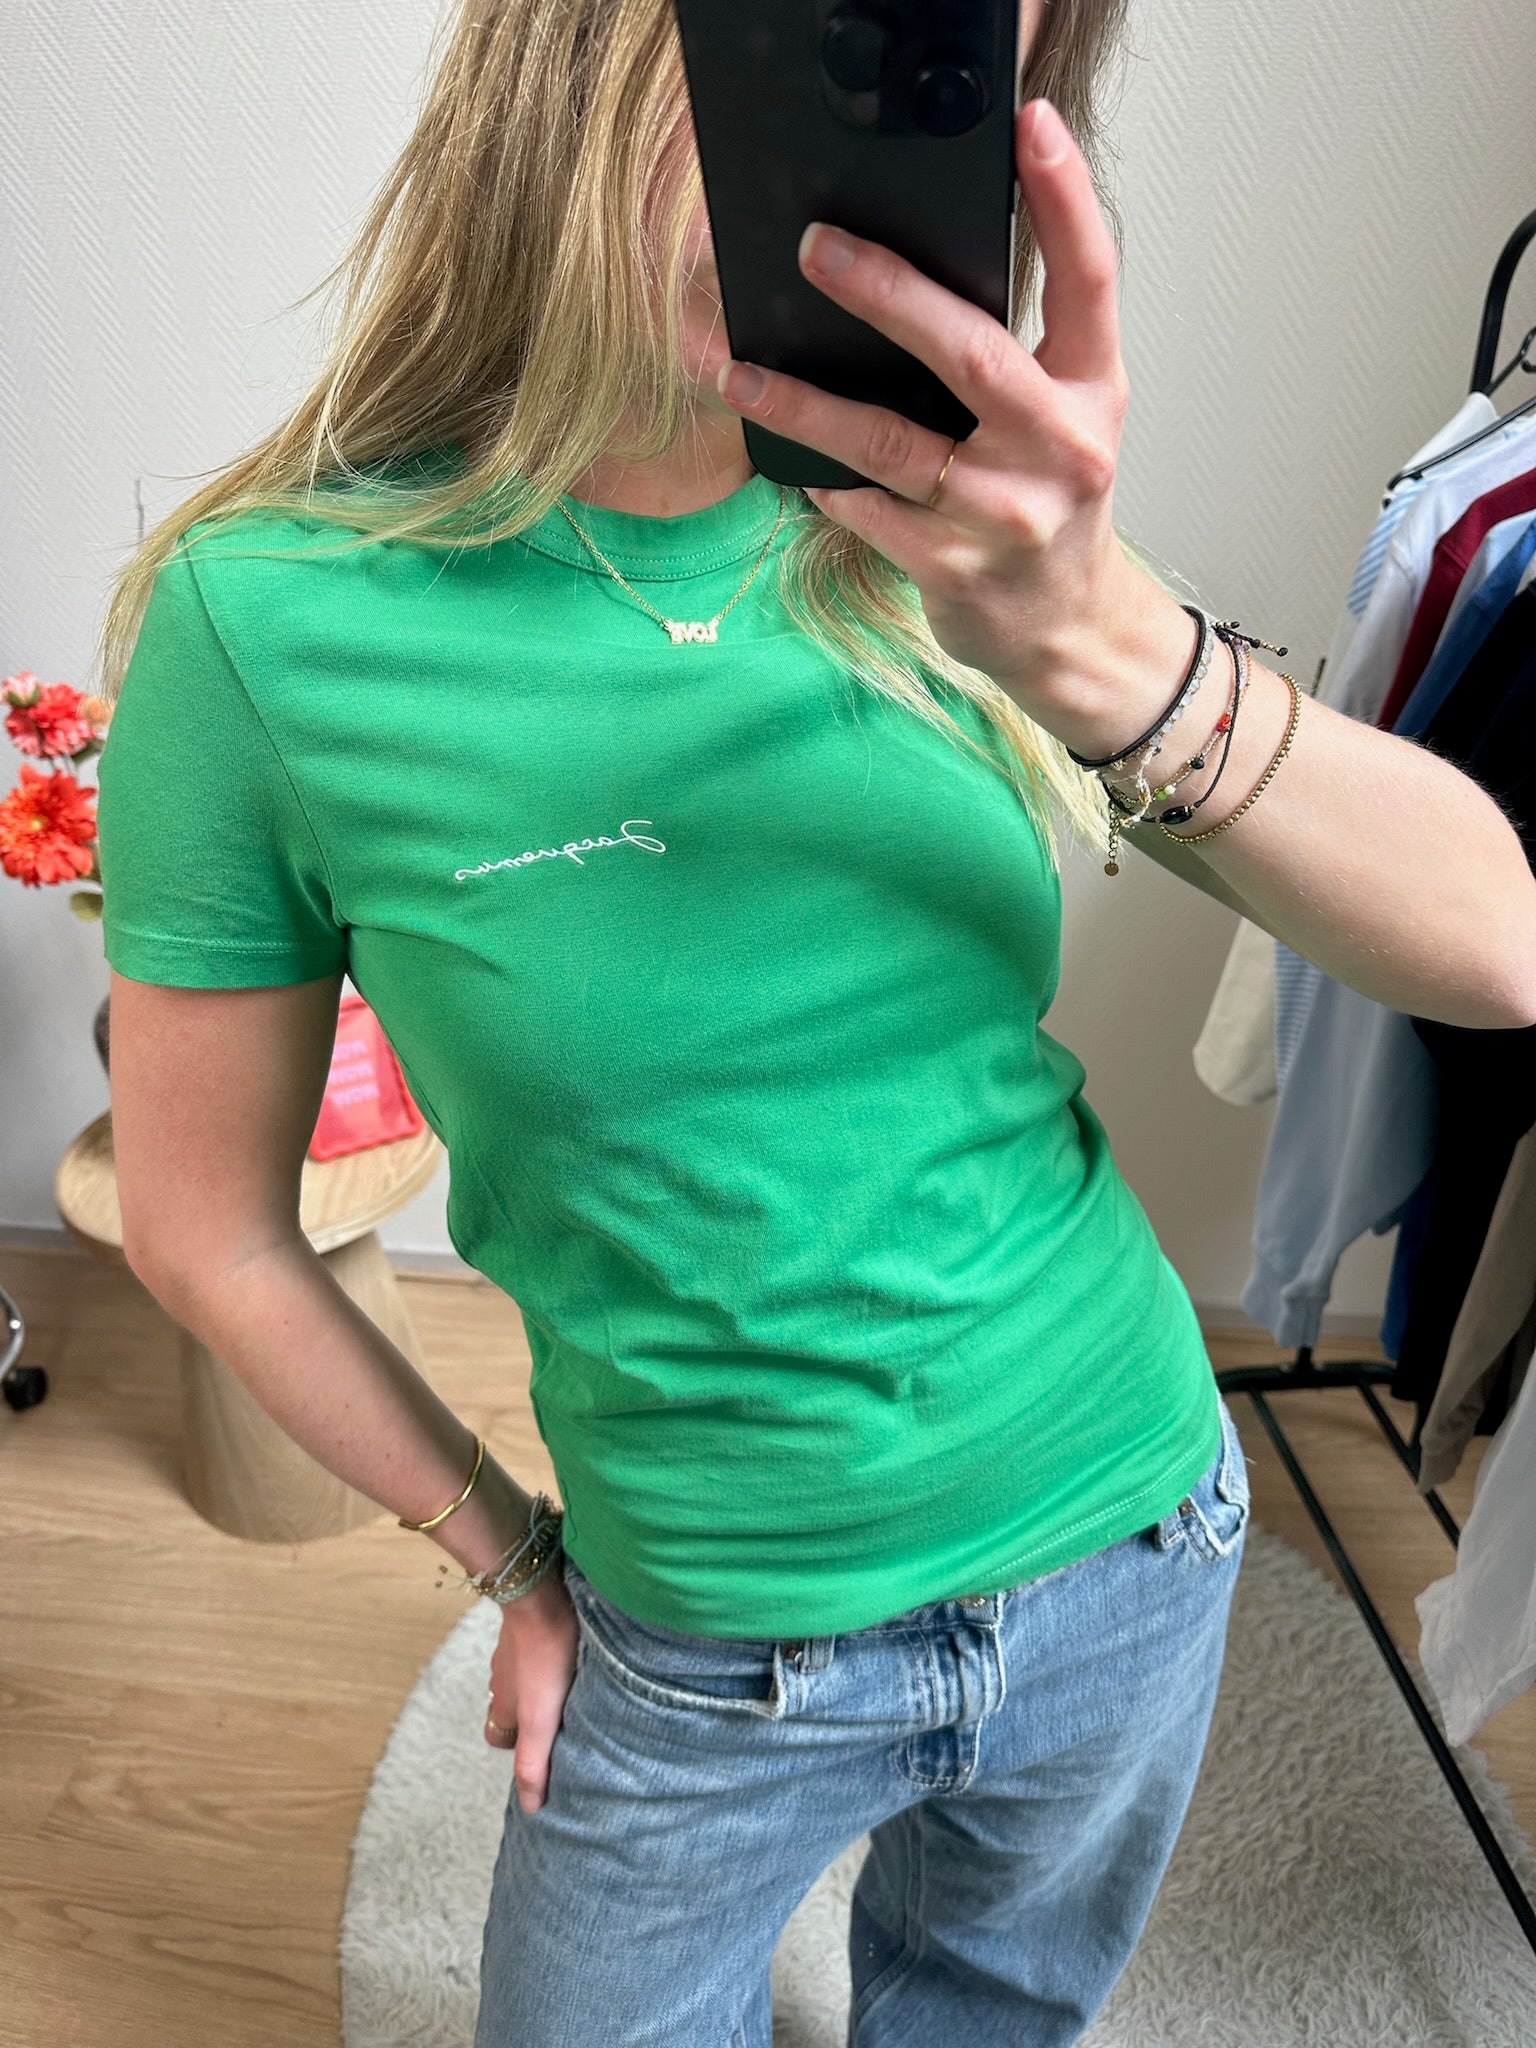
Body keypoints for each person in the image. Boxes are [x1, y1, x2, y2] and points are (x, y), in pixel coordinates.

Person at [91, 1, 1536, 2042]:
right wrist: (505, 1561)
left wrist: (1100, 641)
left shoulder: (980, 542)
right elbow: (202, 1222)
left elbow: (1500, 944)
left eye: (957, 71)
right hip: (701, 1648)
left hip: (1133, 1534)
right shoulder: (269, 626)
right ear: (580, 52)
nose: (858, 153)